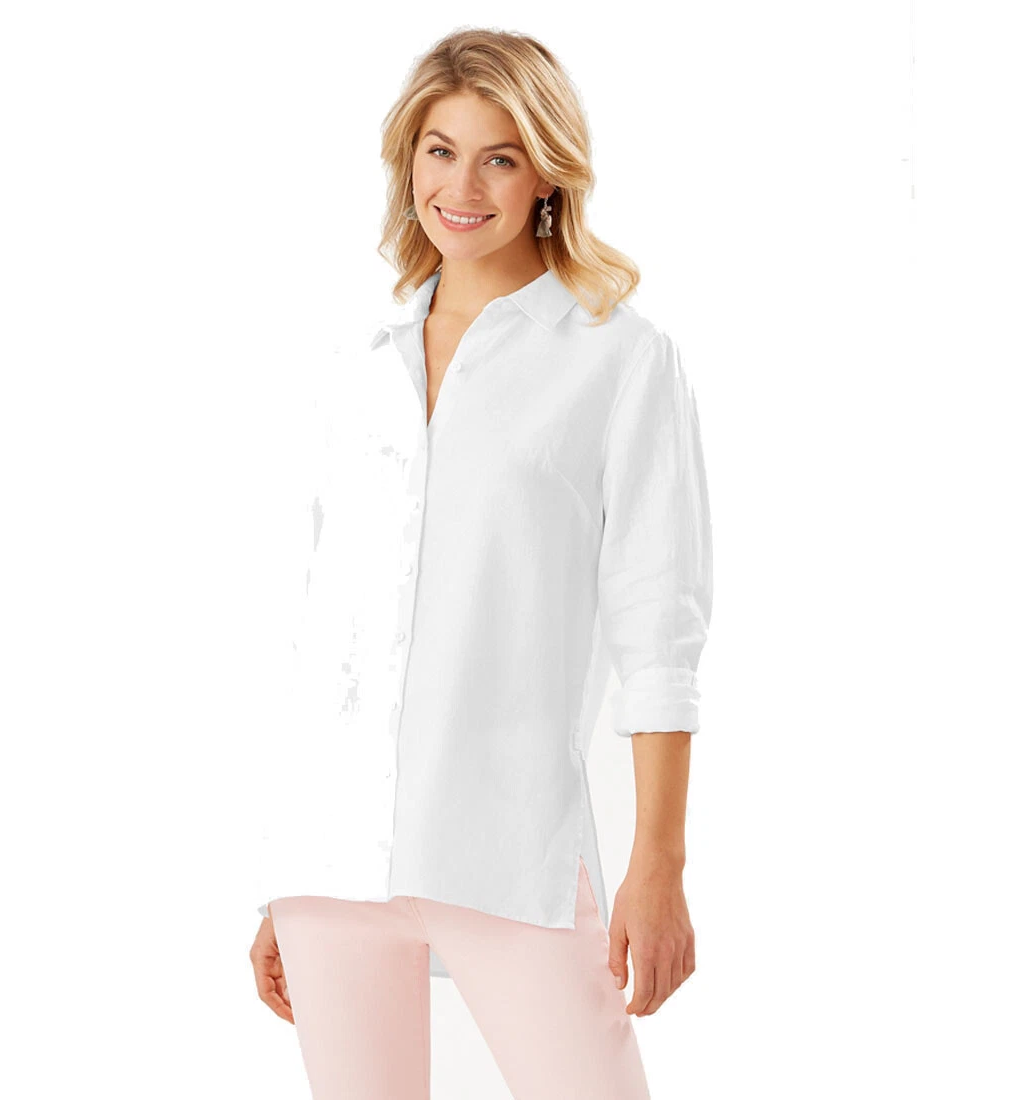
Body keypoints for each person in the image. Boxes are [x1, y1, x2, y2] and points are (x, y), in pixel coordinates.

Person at [248, 27, 713, 1100]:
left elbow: (660, 633)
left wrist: (658, 865)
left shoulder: (618, 359)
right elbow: (329, 637)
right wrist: (282, 877)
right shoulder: (360, 372)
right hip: (333, 862)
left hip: (510, 850)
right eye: (439, 151)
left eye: (498, 157)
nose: (460, 187)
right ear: (406, 160)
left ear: (547, 171)